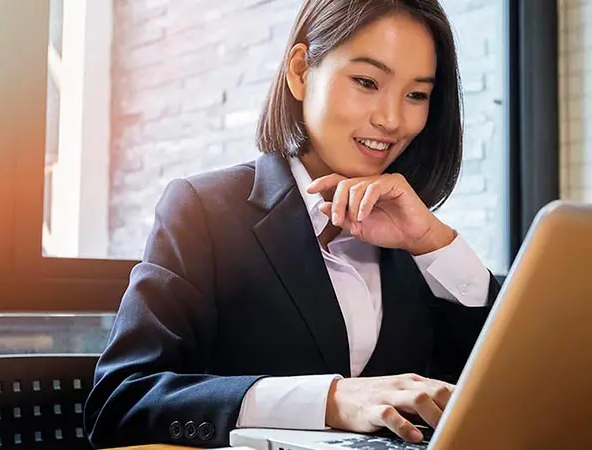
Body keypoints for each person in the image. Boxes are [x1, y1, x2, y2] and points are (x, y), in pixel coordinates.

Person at [83, 0, 501, 448]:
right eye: (366, 82)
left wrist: (432, 242)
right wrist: (331, 400)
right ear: (301, 71)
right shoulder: (204, 210)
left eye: (416, 95)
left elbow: (506, 391)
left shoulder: (419, 248)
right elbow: (120, 403)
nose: (392, 120)